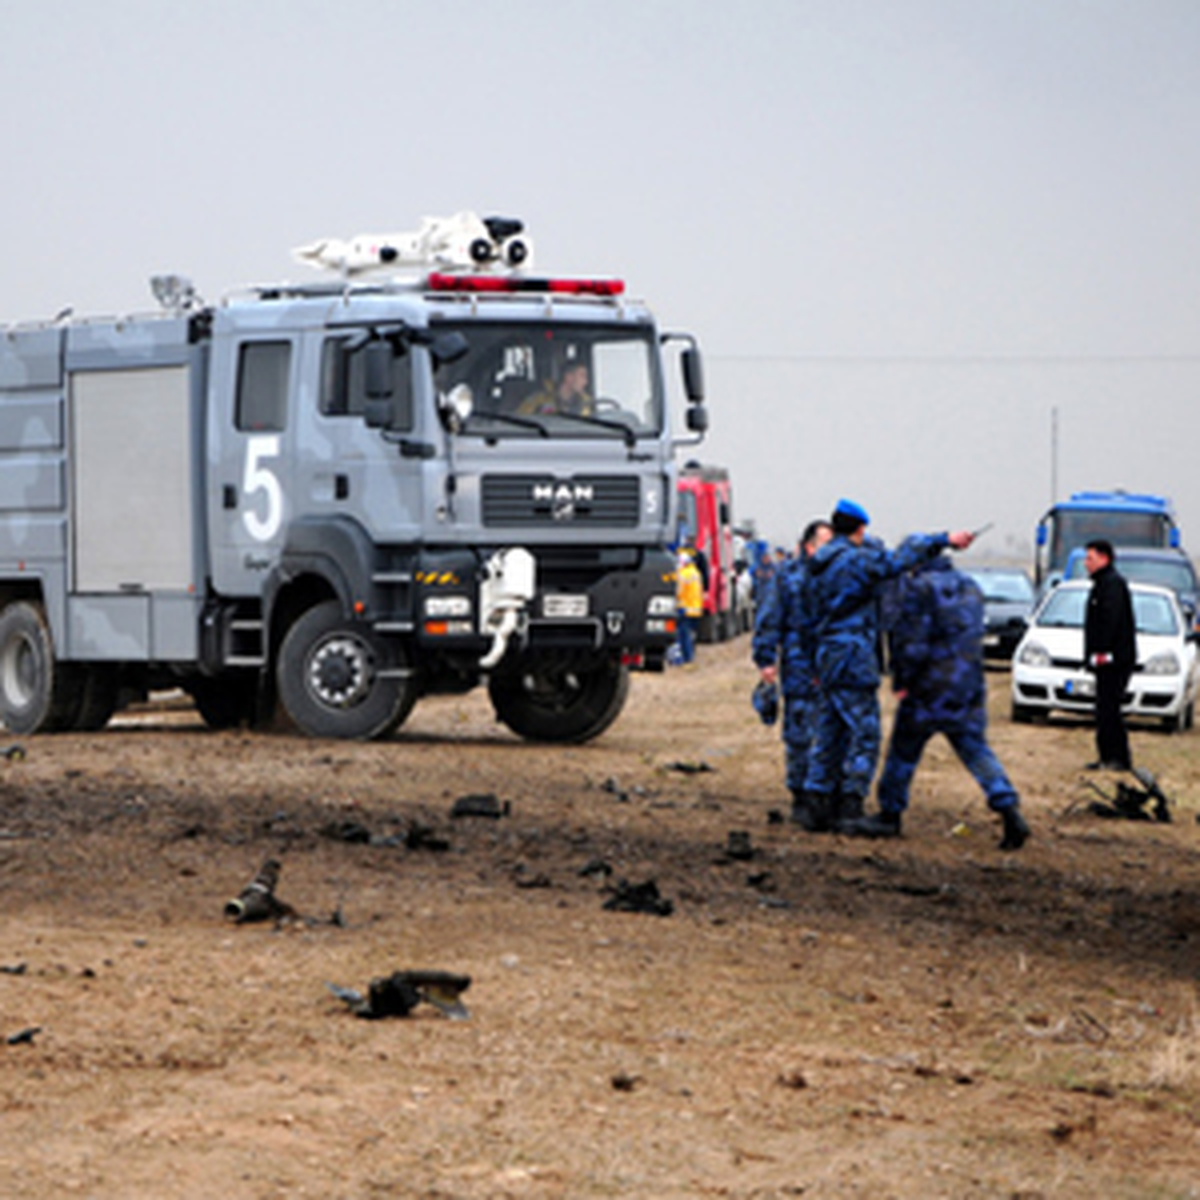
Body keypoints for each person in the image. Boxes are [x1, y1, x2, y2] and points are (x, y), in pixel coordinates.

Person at [796, 499, 975, 833]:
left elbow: (806, 616)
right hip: (853, 655)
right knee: (865, 734)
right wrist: (943, 539)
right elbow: (898, 560)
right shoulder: (857, 561)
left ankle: (815, 804)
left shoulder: (816, 564)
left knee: (830, 731)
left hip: (827, 654)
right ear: (860, 528)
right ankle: (851, 805)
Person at [841, 553, 1030, 850]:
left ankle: (890, 813)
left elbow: (912, 643)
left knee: (902, 754)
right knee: (976, 751)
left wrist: (902, 680)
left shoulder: (920, 589)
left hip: (929, 687)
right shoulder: (970, 587)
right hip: (967, 685)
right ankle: (1008, 808)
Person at [752, 518, 833, 822]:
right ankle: (800, 795)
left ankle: (827, 794)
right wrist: (766, 659)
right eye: (824, 543)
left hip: (831, 666)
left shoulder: (838, 576)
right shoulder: (788, 577)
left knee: (832, 732)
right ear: (808, 546)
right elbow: (770, 617)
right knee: (800, 733)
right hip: (799, 665)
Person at [1083, 538, 1136, 770]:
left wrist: (1102, 652)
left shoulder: (1112, 584)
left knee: (1110, 709)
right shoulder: (1101, 584)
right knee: (1103, 709)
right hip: (1104, 660)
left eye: (1090, 558)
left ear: (1104, 559)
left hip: (1115, 661)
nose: (1086, 563)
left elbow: (1109, 621)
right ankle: (1106, 756)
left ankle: (1118, 759)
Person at [517, 361, 594, 417]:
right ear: (569, 377)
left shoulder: (587, 403)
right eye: (582, 376)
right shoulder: (538, 400)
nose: (586, 382)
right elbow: (519, 422)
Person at [675, 548, 704, 665]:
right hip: (696, 608)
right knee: (690, 634)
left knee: (683, 635)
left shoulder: (683, 574)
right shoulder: (696, 572)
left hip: (685, 608)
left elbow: (678, 591)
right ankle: (690, 656)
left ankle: (687, 657)